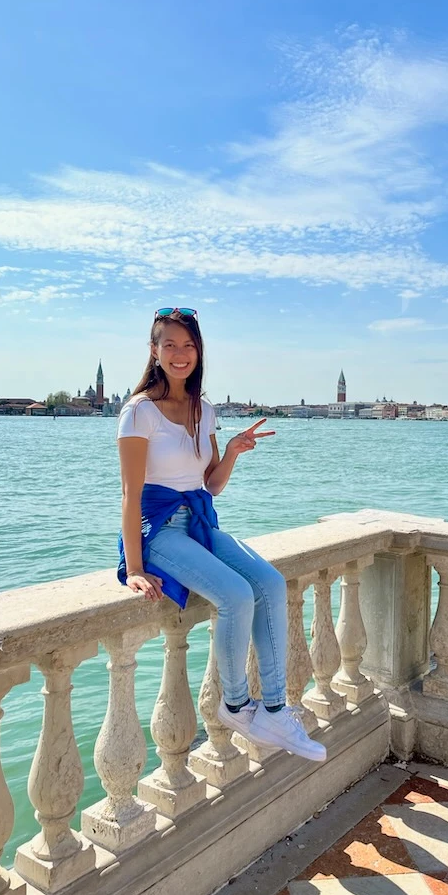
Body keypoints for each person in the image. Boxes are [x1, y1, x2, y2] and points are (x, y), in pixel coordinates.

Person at [116, 307, 325, 763]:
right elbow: (130, 497)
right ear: (153, 351)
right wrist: (133, 568)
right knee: (235, 595)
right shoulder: (138, 414)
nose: (179, 354)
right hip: (159, 532)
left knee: (268, 583)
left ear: (199, 352)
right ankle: (235, 704)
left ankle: (272, 708)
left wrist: (230, 452)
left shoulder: (203, 411)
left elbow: (207, 485)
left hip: (199, 523)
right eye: (169, 344)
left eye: (188, 345)